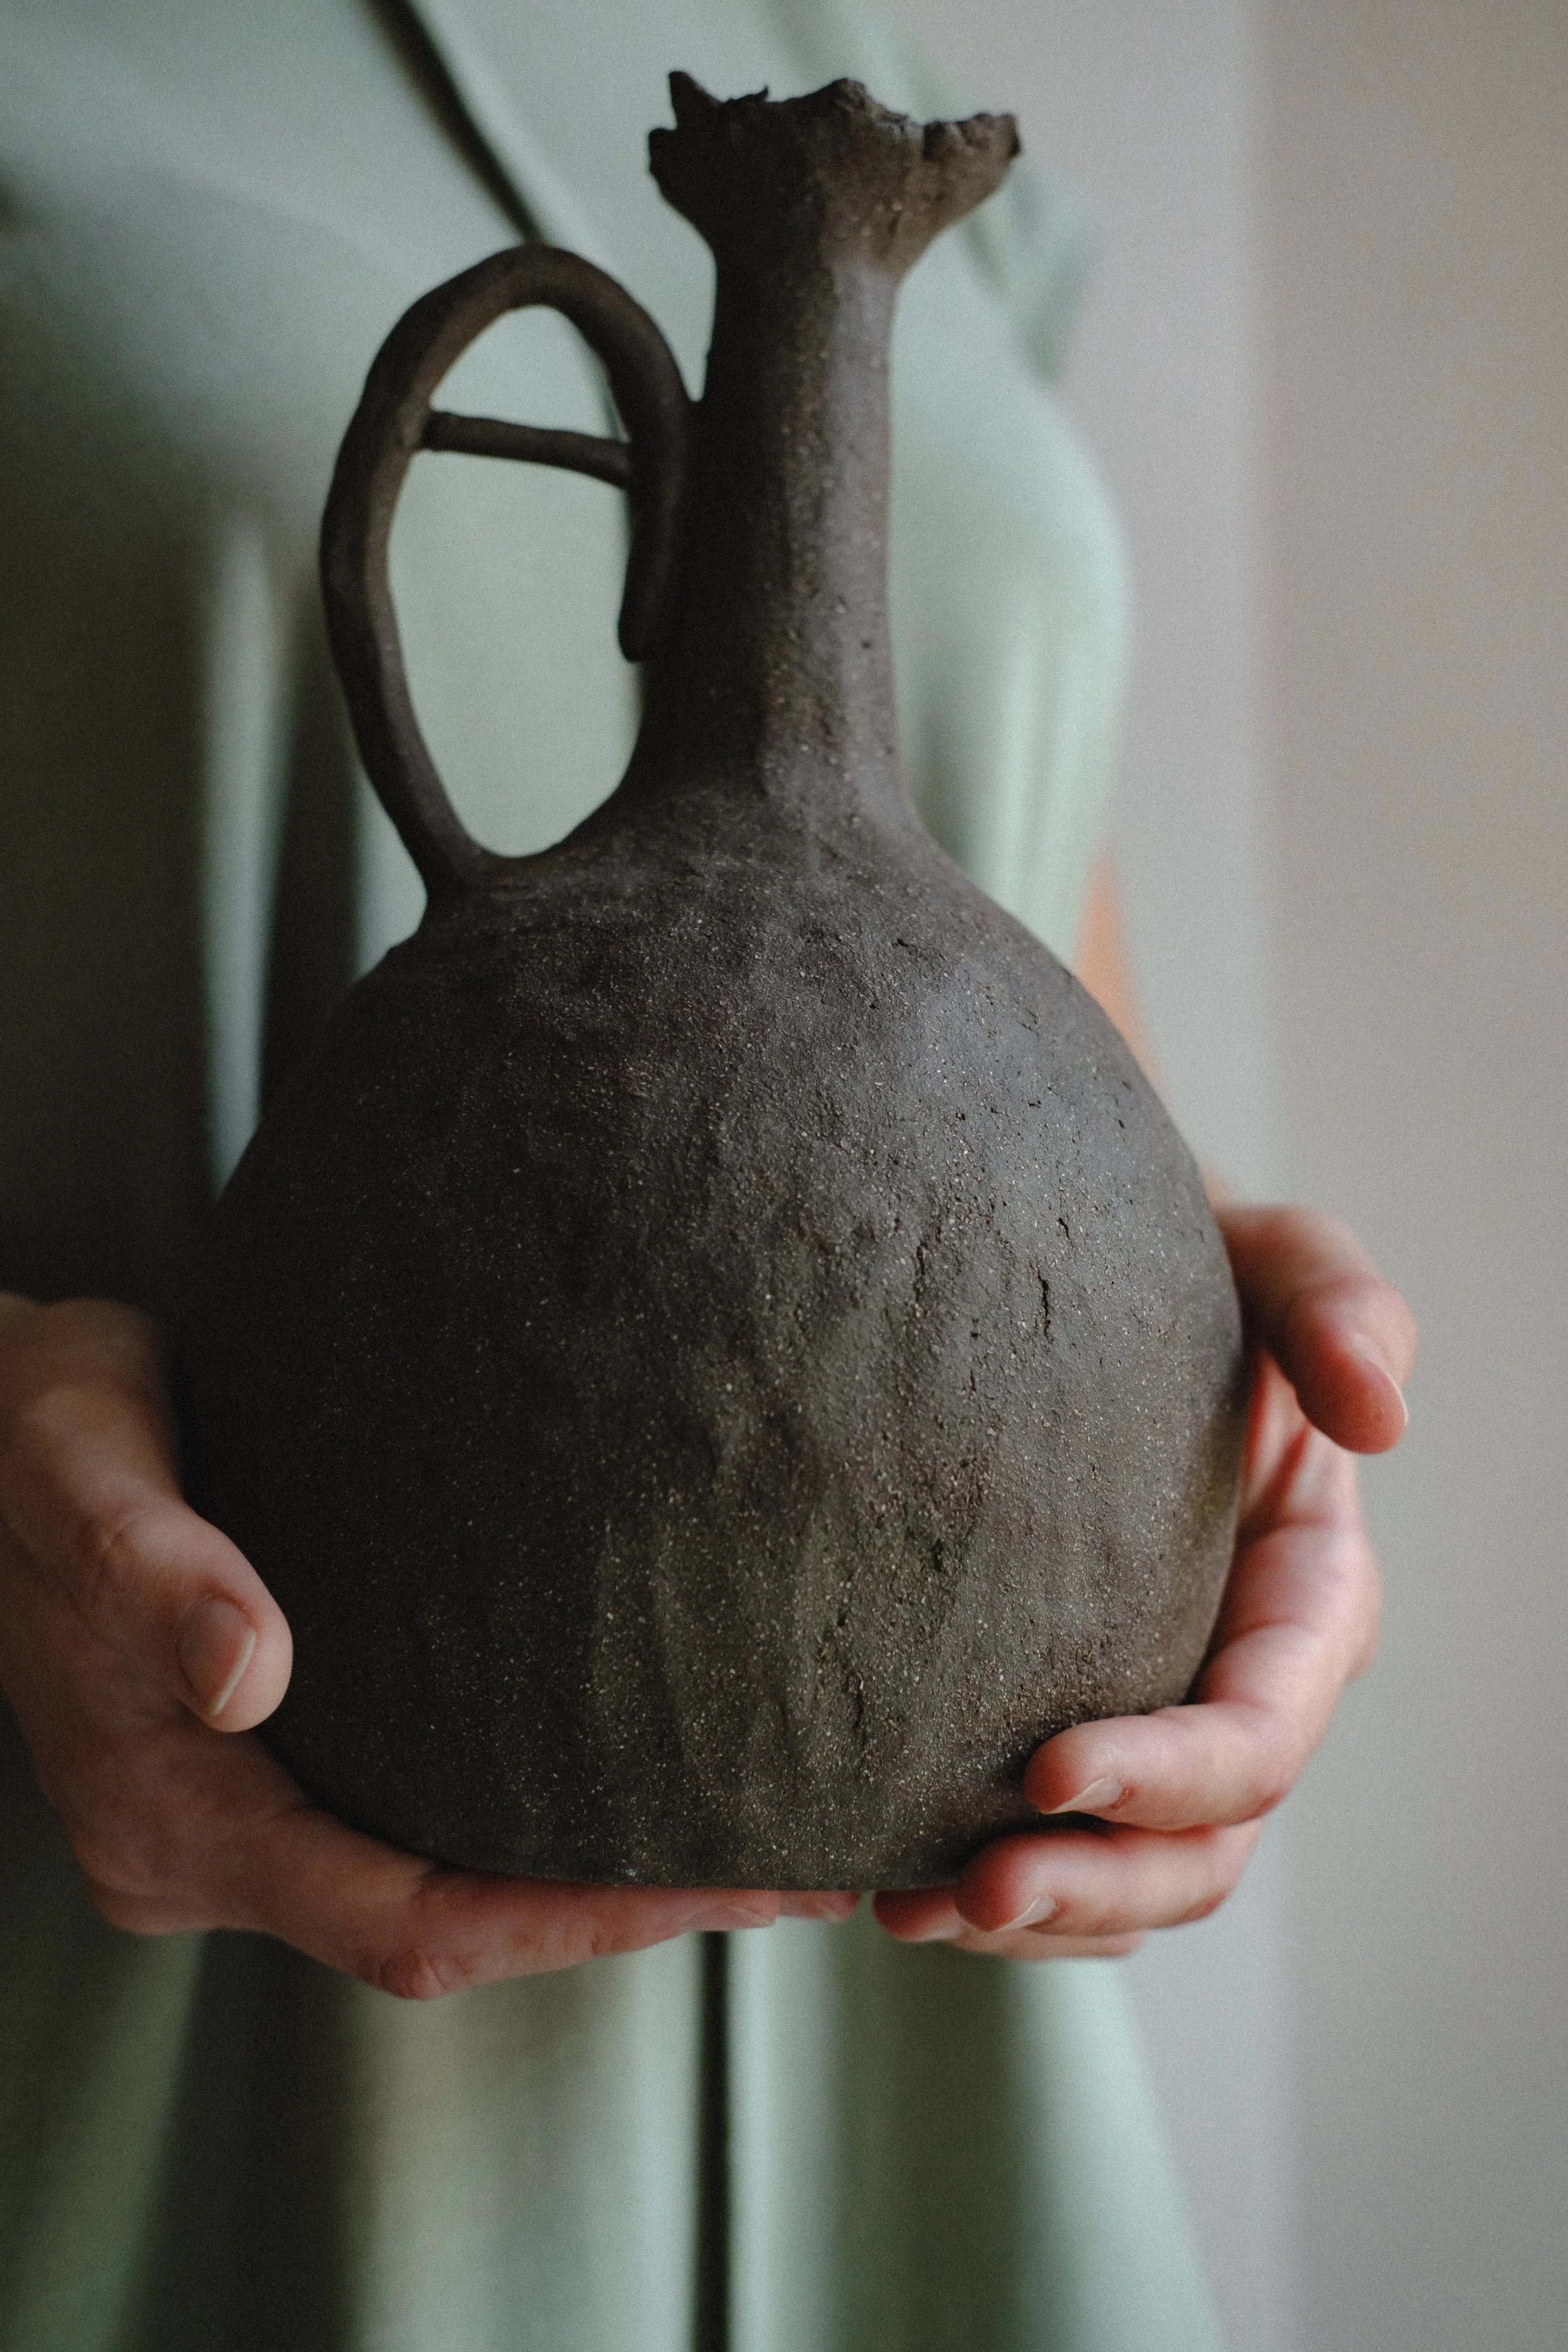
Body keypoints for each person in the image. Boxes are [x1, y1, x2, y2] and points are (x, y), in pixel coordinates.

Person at [0, 1, 1415, 2345]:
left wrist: (1255, 1429)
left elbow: (1062, 966)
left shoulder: (841, 42)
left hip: (945, 2046)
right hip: (144, 2023)